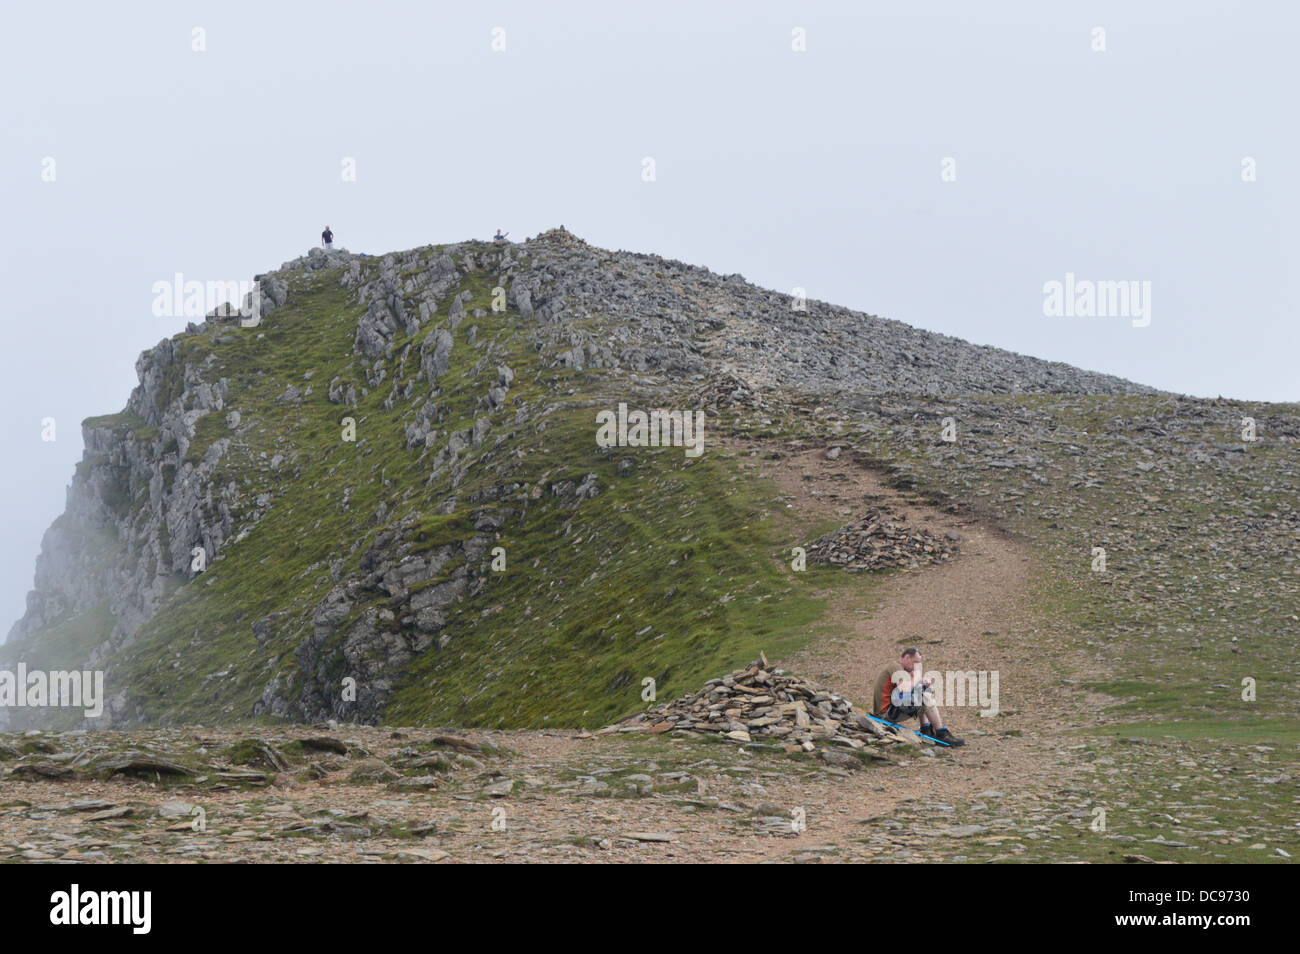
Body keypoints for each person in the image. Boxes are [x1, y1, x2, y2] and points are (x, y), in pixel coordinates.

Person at [872, 647, 964, 746]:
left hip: (890, 711)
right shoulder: (895, 666)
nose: (916, 666)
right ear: (907, 657)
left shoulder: (903, 669)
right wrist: (917, 676)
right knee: (925, 698)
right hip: (885, 714)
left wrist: (923, 680)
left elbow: (914, 685)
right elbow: (905, 688)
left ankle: (926, 730)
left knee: (921, 691)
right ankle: (941, 734)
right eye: (915, 662)